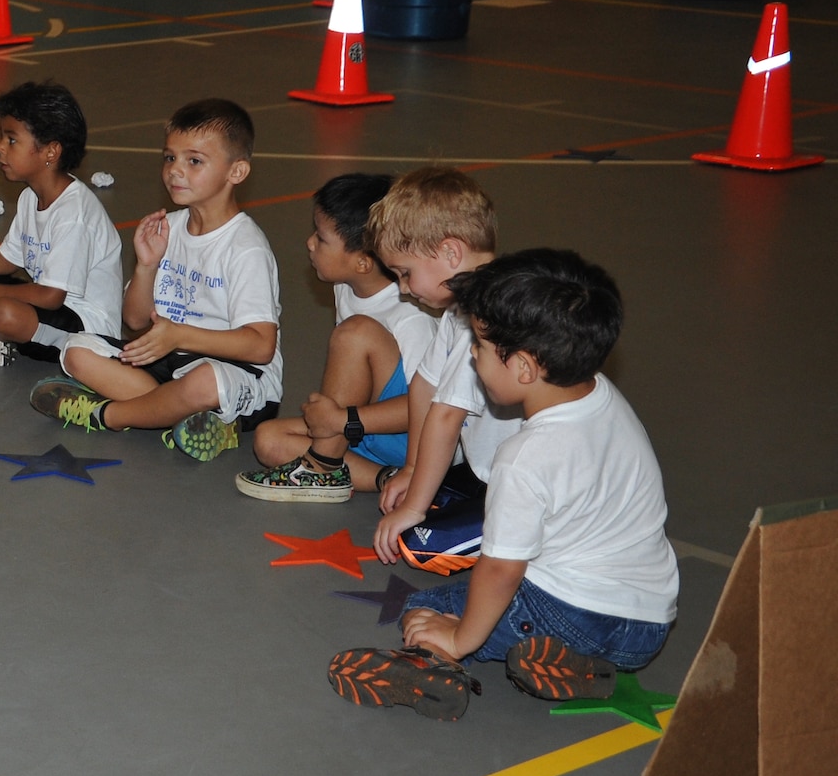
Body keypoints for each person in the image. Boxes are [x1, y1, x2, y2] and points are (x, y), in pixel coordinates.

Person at [330, 250, 676, 723]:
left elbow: (499, 572)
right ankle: (583, 669)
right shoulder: (603, 397)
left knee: (427, 606)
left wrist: (458, 637)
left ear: (526, 368)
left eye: (482, 346)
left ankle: (436, 667)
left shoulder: (523, 456)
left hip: (568, 614)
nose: (471, 354)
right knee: (480, 602)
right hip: (648, 624)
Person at [30, 98, 282, 463]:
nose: (176, 171)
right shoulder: (171, 228)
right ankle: (185, 420)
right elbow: (133, 321)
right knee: (76, 350)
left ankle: (110, 415)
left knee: (201, 383)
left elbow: (260, 347)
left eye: (194, 161)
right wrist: (146, 265)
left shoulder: (245, 248)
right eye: (170, 158)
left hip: (238, 375)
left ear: (237, 172)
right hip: (171, 361)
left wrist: (179, 335)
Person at [238, 174, 434, 503]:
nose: (310, 243)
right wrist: (343, 422)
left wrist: (344, 420)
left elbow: (430, 409)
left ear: (362, 261)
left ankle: (322, 467)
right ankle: (388, 480)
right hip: (364, 432)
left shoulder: (411, 315)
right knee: (269, 439)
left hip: (410, 439)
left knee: (355, 333)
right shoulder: (345, 287)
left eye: (322, 238)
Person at [365, 167, 516, 576]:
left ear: (451, 254)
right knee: (422, 500)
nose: (402, 289)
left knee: (417, 545)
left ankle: (533, 542)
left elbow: (447, 415)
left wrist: (414, 505)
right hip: (485, 473)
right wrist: (413, 469)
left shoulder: (487, 317)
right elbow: (424, 384)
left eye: (405, 273)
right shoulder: (457, 310)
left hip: (523, 487)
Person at [0, 81, 122, 374]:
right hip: (48, 308)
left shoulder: (74, 214)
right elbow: (10, 259)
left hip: (86, 328)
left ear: (50, 152)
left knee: (2, 311)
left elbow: (51, 296)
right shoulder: (30, 196)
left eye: (11, 140)